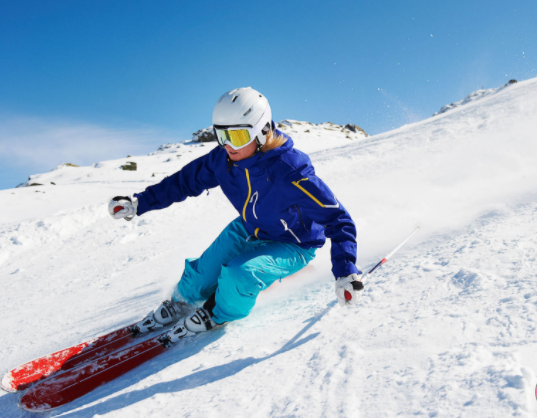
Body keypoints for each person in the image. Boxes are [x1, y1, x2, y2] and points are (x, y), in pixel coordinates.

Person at [108, 87, 364, 344]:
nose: (229, 145)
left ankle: (216, 314)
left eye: (239, 136)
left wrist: (345, 271)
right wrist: (139, 202)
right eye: (222, 135)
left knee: (238, 275)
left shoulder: (289, 169)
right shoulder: (224, 159)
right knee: (197, 280)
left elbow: (337, 218)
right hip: (249, 229)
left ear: (262, 131)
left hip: (294, 243)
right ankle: (179, 304)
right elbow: (184, 182)